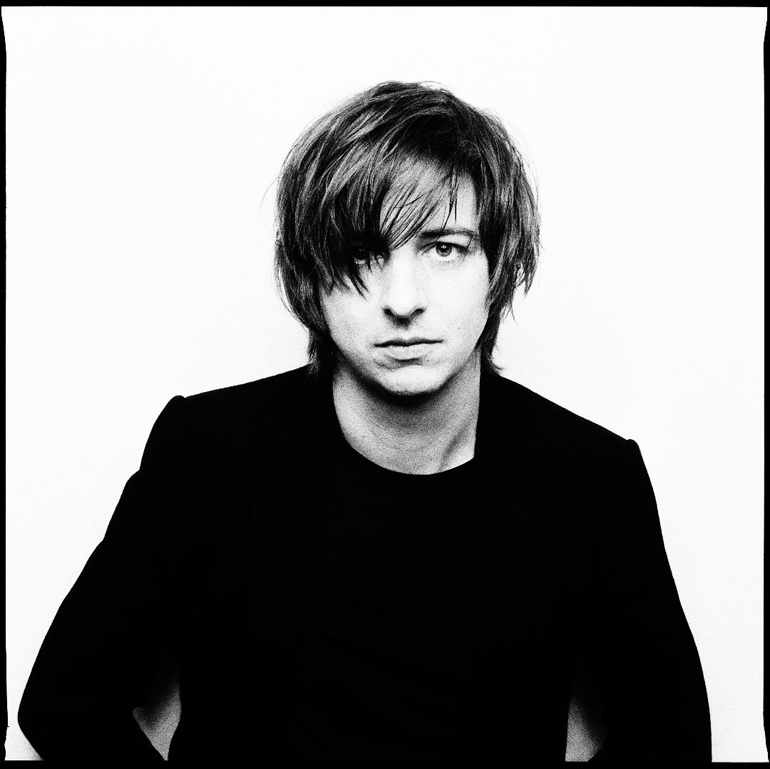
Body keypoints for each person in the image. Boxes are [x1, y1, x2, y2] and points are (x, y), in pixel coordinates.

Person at [18, 80, 711, 761]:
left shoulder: (590, 480)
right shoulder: (209, 452)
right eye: (360, 254)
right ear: (309, 278)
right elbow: (66, 702)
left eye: (444, 247)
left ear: (497, 267)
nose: (402, 300)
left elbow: (672, 736)